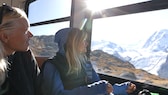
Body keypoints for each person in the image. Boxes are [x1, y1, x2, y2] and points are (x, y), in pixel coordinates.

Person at [36, 27, 136, 95]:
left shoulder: (86, 63)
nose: (86, 44)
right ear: (72, 43)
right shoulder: (52, 66)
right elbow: (58, 94)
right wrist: (98, 88)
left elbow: (100, 86)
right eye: (83, 40)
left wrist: (122, 88)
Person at [0, 3, 40, 95]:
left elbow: (39, 87)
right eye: (25, 31)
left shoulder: (26, 56)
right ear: (5, 36)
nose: (31, 35)